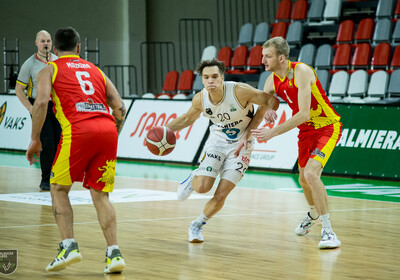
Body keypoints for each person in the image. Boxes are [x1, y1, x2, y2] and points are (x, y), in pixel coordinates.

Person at [26, 27, 127, 273]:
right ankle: (114, 254)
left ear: (55, 49)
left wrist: (35, 139)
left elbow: (40, 103)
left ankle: (69, 246)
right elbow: (120, 107)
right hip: (107, 129)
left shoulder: (49, 68)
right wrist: (112, 134)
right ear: (79, 48)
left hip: (78, 130)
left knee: (58, 188)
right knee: (101, 195)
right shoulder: (96, 70)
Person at [165, 59, 279, 243]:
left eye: (215, 77)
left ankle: (197, 225)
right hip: (217, 141)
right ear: (202, 80)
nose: (211, 81)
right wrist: (163, 131)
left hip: (243, 143)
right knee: (202, 187)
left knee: (221, 194)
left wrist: (269, 112)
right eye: (206, 77)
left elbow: (270, 99)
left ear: (222, 78)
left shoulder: (239, 91)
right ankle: (193, 179)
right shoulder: (200, 99)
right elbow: (186, 119)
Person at [252, 37, 342, 249]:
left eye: (268, 56)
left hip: (326, 127)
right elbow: (270, 98)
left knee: (311, 174)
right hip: (305, 132)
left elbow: (303, 114)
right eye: (263, 56)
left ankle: (329, 231)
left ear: (281, 57)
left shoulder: (302, 71)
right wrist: (272, 108)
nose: (263, 60)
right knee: (303, 179)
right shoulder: (271, 79)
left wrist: (272, 132)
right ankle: (312, 213)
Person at [16, 30, 61, 191]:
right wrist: (29, 107)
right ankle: (45, 179)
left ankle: (58, 176)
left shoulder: (57, 61)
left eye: (48, 41)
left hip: (56, 106)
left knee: (59, 141)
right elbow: (19, 89)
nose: (46, 44)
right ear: (36, 43)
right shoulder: (29, 64)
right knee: (47, 143)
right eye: (42, 41)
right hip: (38, 106)